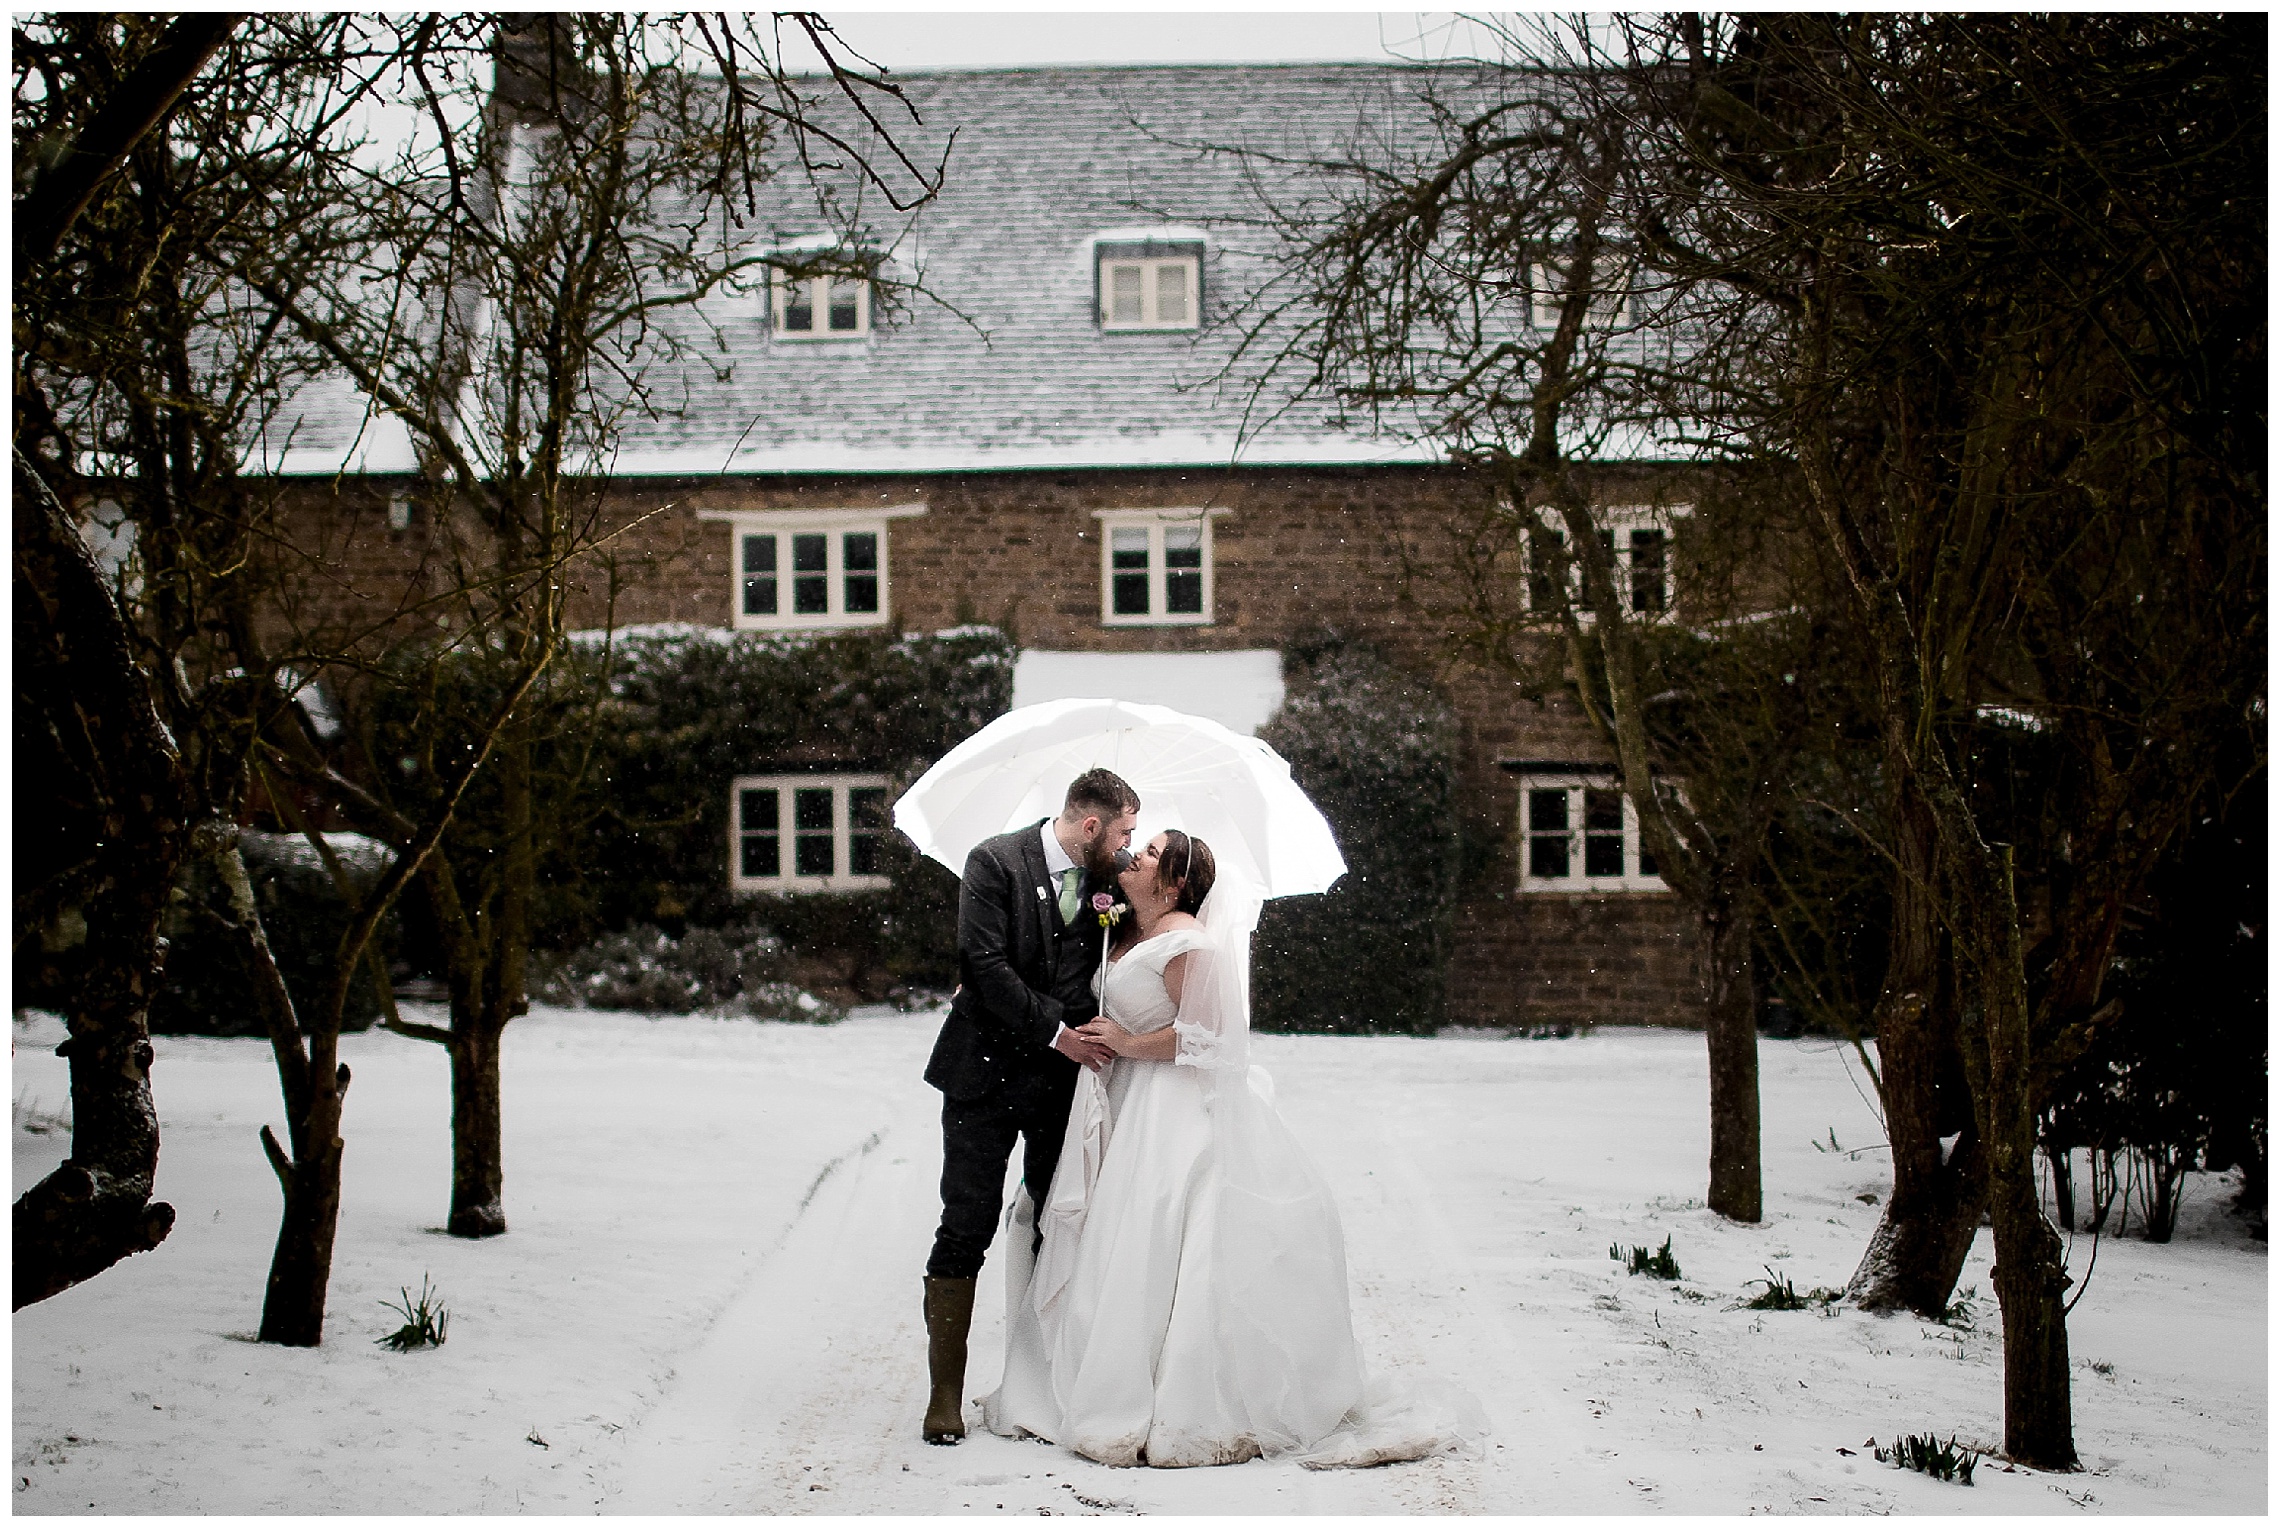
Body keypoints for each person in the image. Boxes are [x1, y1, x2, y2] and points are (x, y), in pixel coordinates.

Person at [983, 830, 1473, 1469]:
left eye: (1152, 853)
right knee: (1114, 1239)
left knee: (1162, 1236)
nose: (1136, 857)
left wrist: (1128, 1044)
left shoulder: (1188, 941)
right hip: (1124, 1106)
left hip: (1173, 1111)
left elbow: (1211, 1040)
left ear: (1176, 882)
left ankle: (1186, 1399)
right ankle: (1091, 1376)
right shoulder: (1122, 931)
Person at [920, 767, 1140, 1445]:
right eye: (1125, 830)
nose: (1130, 844)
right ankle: (945, 1395)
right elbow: (984, 966)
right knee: (968, 1222)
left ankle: (1039, 1386)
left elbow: (1148, 935)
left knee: (1054, 1219)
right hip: (982, 1077)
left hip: (1059, 1086)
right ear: (1091, 825)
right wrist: (1058, 1032)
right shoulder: (993, 861)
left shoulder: (1114, 878)